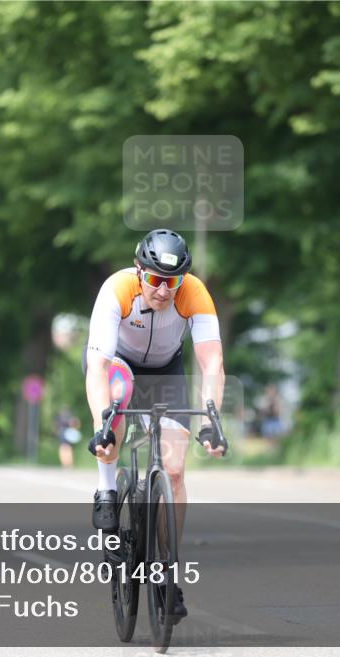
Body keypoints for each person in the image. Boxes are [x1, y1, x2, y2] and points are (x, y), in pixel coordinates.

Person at [85, 228, 226, 621]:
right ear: (138, 271)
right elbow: (97, 365)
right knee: (113, 407)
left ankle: (167, 571)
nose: (163, 290)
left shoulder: (194, 293)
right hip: (120, 367)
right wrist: (102, 424)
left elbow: (211, 362)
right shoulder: (117, 289)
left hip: (166, 373)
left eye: (172, 281)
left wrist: (211, 415)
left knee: (176, 472)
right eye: (154, 279)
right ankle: (107, 490)